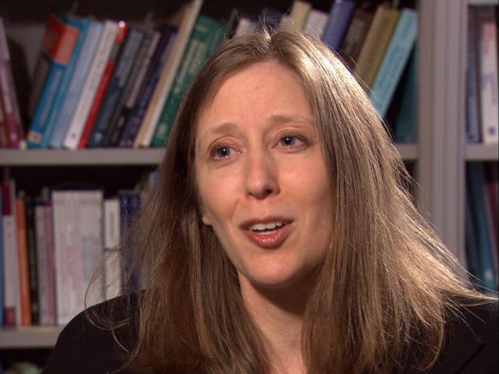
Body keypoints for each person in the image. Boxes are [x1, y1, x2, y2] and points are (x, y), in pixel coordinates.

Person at [43, 27, 497, 374]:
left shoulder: (483, 349)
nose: (257, 181)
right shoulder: (98, 355)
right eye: (223, 151)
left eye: (289, 140)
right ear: (199, 199)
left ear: (351, 172)